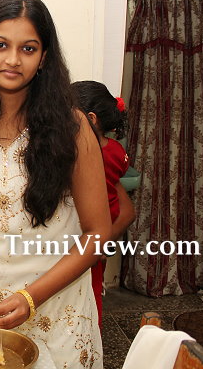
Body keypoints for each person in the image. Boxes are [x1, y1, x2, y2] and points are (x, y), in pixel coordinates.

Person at [0, 0, 111, 368]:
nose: (13, 59)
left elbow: (98, 233)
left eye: (28, 49)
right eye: (1, 45)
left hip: (57, 310)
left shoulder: (72, 128)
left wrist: (31, 298)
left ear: (43, 58)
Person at [72, 80, 136, 329]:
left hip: (84, 236)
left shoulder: (83, 155)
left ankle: (90, 336)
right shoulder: (116, 150)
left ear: (91, 119)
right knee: (93, 291)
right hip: (104, 233)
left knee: (87, 293)